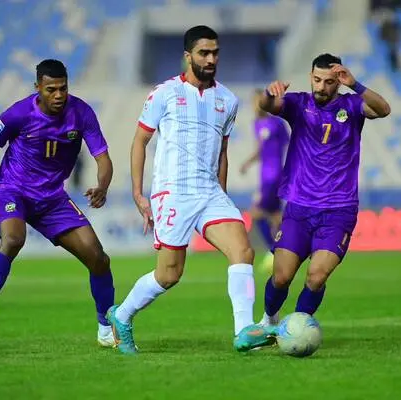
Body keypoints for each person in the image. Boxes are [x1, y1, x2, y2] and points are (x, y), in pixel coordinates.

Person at [106, 26, 273, 354]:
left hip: (210, 192)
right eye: (204, 53)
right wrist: (139, 194)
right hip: (173, 192)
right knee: (169, 275)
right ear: (188, 56)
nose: (211, 59)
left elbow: (222, 153)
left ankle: (244, 333)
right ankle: (122, 315)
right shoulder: (163, 94)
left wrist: (222, 193)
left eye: (215, 53)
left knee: (243, 251)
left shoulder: (228, 100)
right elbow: (140, 142)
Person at [0, 59, 116, 348]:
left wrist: (102, 186)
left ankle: (106, 330)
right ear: (38, 88)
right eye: (51, 89)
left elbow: (102, 158)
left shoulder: (81, 112)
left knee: (98, 258)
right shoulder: (19, 114)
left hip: (53, 199)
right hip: (13, 191)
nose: (58, 95)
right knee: (14, 240)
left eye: (63, 88)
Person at [246, 53, 391, 333]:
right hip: (300, 207)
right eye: (316, 80)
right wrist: (267, 93)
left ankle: (296, 329)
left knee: (316, 276)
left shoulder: (352, 105)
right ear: (310, 76)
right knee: (281, 276)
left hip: (339, 210)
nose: (321, 87)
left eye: (327, 82)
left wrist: (356, 85)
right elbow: (267, 105)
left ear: (338, 81)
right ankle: (269, 321)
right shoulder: (299, 104)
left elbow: (383, 109)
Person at [240, 89, 289, 271]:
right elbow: (261, 150)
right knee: (277, 216)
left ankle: (274, 250)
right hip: (264, 175)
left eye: (257, 101)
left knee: (256, 213)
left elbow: (288, 145)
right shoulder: (257, 124)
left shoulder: (276, 123)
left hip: (274, 174)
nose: (255, 106)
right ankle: (285, 251)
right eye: (253, 102)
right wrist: (247, 163)